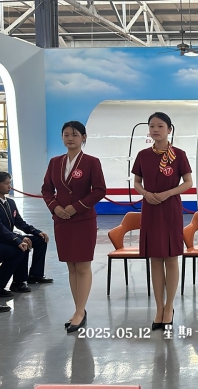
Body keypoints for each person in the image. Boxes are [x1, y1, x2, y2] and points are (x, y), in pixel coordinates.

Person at [41, 121, 106, 333]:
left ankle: (79, 311)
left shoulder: (91, 162)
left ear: (83, 138)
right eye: (66, 134)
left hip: (83, 219)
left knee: (83, 266)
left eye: (75, 134)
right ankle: (79, 310)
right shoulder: (55, 162)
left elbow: (99, 190)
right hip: (62, 221)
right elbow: (46, 189)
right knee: (71, 266)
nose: (70, 138)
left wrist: (75, 207)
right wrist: (55, 207)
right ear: (62, 137)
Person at [132, 112, 192, 332]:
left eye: (160, 126)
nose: (155, 130)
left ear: (169, 129)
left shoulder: (178, 155)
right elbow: (137, 182)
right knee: (155, 259)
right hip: (150, 208)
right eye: (152, 126)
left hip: (170, 208)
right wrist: (145, 194)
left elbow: (188, 182)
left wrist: (168, 193)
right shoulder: (142, 155)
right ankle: (159, 308)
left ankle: (169, 307)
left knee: (171, 258)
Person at [0, 171, 53, 292]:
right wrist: (17, 239)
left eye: (10, 183)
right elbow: (1, 229)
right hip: (3, 239)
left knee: (40, 240)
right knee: (21, 247)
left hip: (9, 237)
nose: (9, 186)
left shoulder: (10, 203)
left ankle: (35, 275)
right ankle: (18, 282)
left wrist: (36, 232)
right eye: (6, 183)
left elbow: (19, 222)